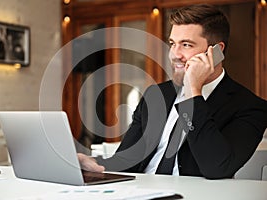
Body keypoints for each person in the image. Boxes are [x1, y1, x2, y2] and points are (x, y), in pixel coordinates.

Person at [78, 4, 267, 179]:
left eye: (186, 45)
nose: (174, 54)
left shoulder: (250, 107)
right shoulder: (156, 95)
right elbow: (127, 161)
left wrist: (194, 92)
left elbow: (217, 168)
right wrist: (92, 164)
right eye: (172, 43)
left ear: (216, 52)